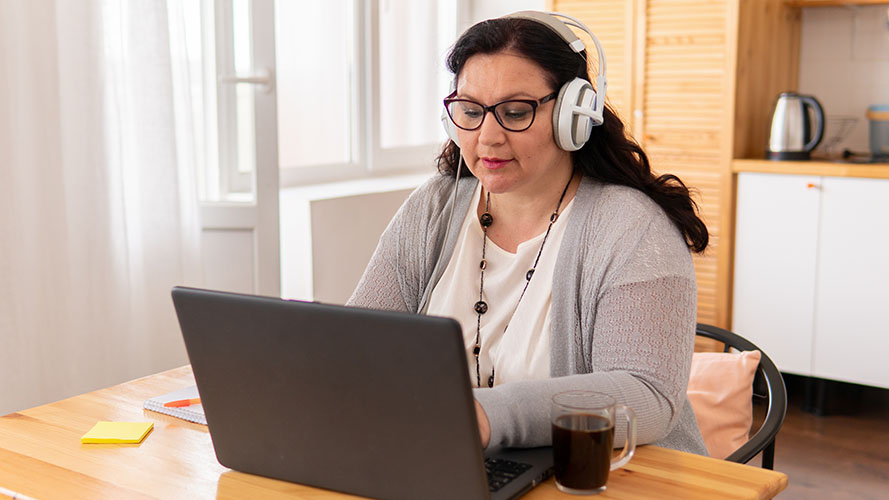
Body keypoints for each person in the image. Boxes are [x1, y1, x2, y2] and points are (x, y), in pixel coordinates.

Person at [347, 11, 710, 456]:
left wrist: (485, 417)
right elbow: (360, 341)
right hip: (460, 464)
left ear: (575, 113)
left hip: (607, 477)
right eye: (470, 111)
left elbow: (646, 395)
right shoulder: (434, 207)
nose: (487, 138)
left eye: (515, 113)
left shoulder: (632, 228)